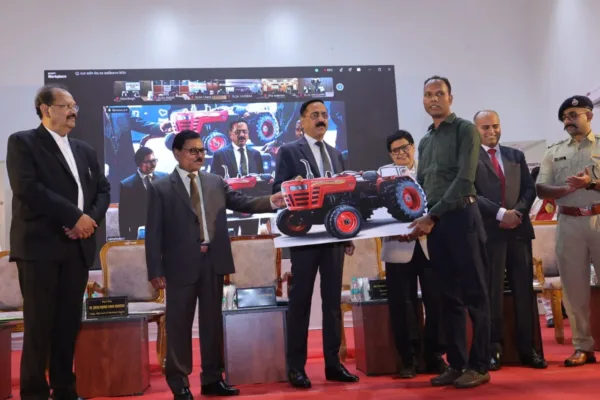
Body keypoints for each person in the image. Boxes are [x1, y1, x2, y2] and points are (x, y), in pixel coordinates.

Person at [145, 129, 284, 398]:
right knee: (179, 326)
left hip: (213, 262)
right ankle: (179, 383)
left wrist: (270, 201)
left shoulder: (215, 181)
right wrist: (155, 269)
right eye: (193, 151)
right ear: (177, 153)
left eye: (202, 150)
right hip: (179, 265)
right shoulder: (160, 187)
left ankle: (212, 379)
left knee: (212, 325)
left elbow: (242, 202)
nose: (199, 155)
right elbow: (153, 233)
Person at [6, 84, 110, 400]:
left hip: (77, 248)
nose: (73, 111)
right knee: (39, 325)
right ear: (45, 109)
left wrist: (87, 220)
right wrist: (73, 217)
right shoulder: (23, 142)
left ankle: (64, 389)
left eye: (74, 105)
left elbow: (102, 190)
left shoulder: (84, 149)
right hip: (40, 248)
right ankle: (34, 393)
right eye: (66, 105)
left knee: (68, 324)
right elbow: (28, 188)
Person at [403, 76, 491, 389]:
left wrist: (432, 216)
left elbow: (465, 180)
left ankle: (480, 365)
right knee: (448, 298)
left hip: (462, 219)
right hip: (436, 225)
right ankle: (457, 363)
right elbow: (423, 186)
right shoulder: (425, 140)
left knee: (476, 296)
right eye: (428, 95)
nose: (433, 99)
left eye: (439, 93)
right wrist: (413, 220)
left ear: (450, 98)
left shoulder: (465, 129)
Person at [273, 99, 359, 389]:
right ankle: (296, 368)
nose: (321, 119)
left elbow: (345, 196)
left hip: (334, 237)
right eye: (315, 115)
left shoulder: (336, 154)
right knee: (300, 302)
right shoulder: (289, 151)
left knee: (332, 303)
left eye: (324, 115)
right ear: (302, 121)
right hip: (306, 238)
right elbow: (276, 189)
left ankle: (333, 364)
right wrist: (293, 185)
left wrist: (347, 235)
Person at [472, 110, 547, 370]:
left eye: (495, 126)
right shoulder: (469, 159)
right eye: (485, 127)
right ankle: (494, 349)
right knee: (491, 293)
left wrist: (517, 213)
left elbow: (529, 188)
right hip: (490, 233)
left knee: (524, 292)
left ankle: (528, 350)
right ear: (476, 131)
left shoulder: (516, 155)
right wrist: (501, 213)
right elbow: (471, 194)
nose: (491, 131)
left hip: (519, 231)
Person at [536, 95, 600, 367]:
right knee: (574, 290)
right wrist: (566, 189)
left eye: (574, 115)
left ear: (589, 115)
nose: (568, 121)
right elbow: (541, 188)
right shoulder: (553, 151)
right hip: (568, 223)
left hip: (598, 218)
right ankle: (582, 346)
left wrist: (590, 183)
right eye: (564, 117)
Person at [381, 130, 446, 378]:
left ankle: (435, 356)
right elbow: (379, 213)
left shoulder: (428, 171)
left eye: (405, 147)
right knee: (402, 306)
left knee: (437, 302)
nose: (401, 153)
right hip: (398, 247)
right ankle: (408, 359)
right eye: (395, 150)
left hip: (430, 246)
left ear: (413, 147)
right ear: (390, 154)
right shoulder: (382, 176)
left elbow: (438, 203)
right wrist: (397, 231)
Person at [119, 147, 167, 240]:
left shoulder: (164, 178)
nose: (153, 164)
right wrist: (125, 239)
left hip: (162, 233)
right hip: (138, 236)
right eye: (149, 162)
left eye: (154, 160)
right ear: (139, 164)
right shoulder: (127, 185)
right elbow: (123, 216)